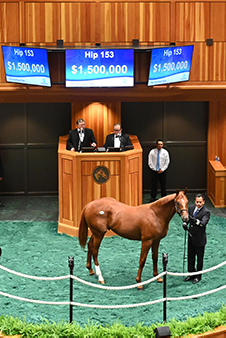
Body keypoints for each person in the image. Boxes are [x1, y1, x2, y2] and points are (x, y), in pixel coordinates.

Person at [183, 193, 211, 284]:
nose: (198, 203)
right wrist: (185, 223)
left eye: (200, 202)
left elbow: (203, 223)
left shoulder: (206, 212)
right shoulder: (191, 208)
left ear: (203, 202)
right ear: (195, 201)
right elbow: (188, 219)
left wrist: (196, 221)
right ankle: (191, 274)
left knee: (199, 259)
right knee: (190, 257)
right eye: (197, 202)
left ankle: (198, 276)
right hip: (191, 238)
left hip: (199, 240)